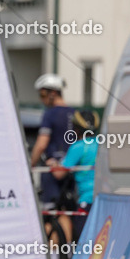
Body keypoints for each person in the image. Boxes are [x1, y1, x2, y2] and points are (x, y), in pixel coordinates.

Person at [53, 110, 100, 244]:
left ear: (77, 128)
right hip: (102, 198)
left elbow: (59, 173)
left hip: (86, 200)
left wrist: (51, 164)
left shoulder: (78, 147)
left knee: (83, 241)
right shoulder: (102, 144)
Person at [30, 74, 75, 210]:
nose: (41, 99)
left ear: (53, 93)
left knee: (51, 214)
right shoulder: (74, 113)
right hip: (71, 169)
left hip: (52, 170)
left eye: (43, 94)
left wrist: (30, 164)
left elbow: (42, 144)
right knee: (66, 212)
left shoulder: (50, 114)